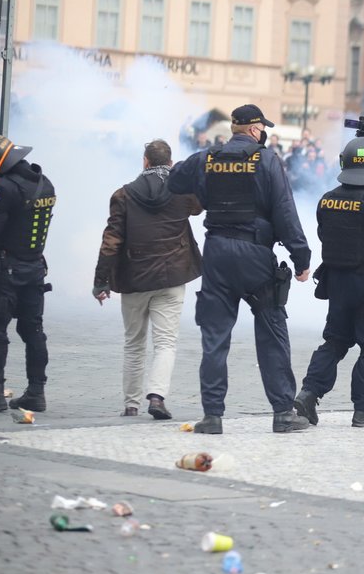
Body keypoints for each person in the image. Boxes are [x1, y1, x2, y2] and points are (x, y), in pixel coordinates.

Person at [167, 104, 312, 434]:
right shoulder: (267, 160)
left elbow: (175, 180)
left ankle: (213, 416)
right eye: (264, 129)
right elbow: (285, 214)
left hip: (217, 252)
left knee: (215, 336)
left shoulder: (208, 157)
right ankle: (282, 413)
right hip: (255, 255)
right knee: (272, 331)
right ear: (256, 129)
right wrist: (301, 259)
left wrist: (203, 191)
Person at [294, 121, 364, 428]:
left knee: (334, 341)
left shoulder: (328, 198)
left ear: (344, 163)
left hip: (337, 282)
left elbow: (324, 235)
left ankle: (308, 394)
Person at [92, 140, 203, 418]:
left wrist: (101, 280)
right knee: (165, 341)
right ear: (169, 162)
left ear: (144, 162)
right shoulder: (182, 192)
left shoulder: (123, 195)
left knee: (134, 341)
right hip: (172, 277)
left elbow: (111, 240)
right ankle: (156, 397)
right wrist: (183, 175)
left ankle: (131, 404)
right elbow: (201, 205)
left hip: (135, 278)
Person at [0, 135, 56, 413]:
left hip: (6, 270)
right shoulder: (44, 183)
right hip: (35, 269)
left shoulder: (2, 187)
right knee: (33, 330)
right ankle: (36, 392)